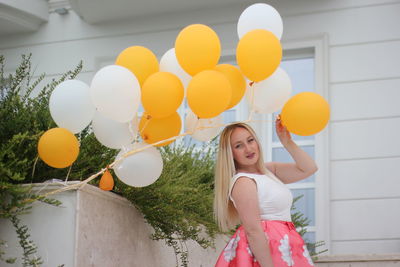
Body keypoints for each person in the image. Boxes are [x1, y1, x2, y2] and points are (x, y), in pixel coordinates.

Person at [214, 118, 318, 267]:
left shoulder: (269, 171)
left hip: (284, 243)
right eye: (239, 146)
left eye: (250, 140)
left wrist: (286, 141)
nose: (248, 149)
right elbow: (253, 230)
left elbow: (309, 168)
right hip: (265, 252)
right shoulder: (243, 181)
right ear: (231, 153)